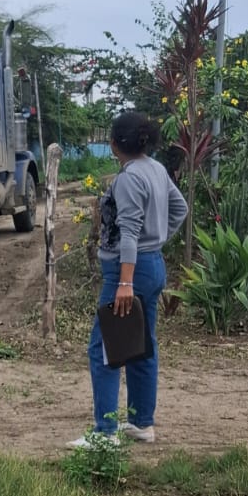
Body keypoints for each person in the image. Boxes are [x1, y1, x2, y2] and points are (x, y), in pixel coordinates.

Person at [69, 110, 187, 447]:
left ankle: (105, 434)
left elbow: (130, 232)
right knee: (141, 345)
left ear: (114, 144)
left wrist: (124, 282)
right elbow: (180, 209)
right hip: (152, 266)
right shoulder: (156, 169)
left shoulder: (129, 179)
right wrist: (158, 239)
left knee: (105, 348)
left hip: (129, 272)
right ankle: (140, 423)